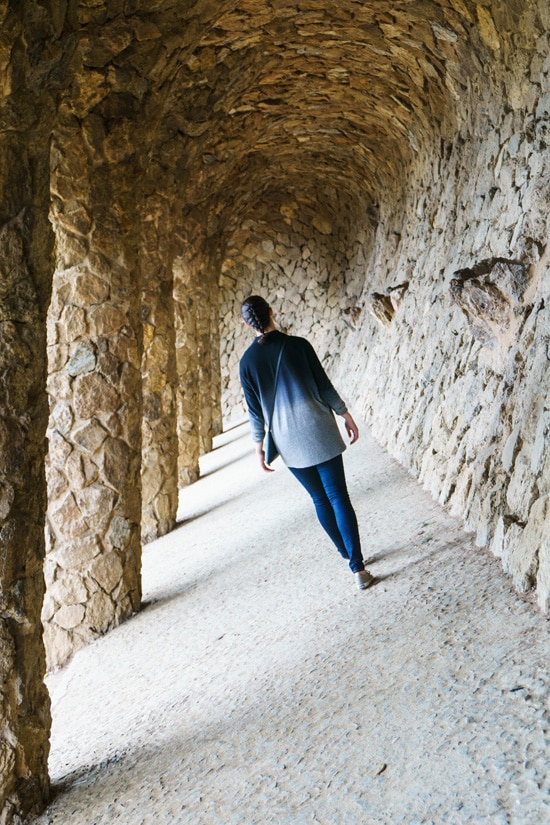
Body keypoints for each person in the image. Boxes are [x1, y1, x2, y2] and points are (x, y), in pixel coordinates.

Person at [239, 295, 375, 591]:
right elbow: (324, 385)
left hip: (288, 441)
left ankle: (345, 553)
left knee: (319, 499)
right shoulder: (299, 346)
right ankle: (358, 567)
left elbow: (254, 412)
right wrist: (344, 413)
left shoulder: (246, 363)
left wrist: (258, 447)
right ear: (272, 312)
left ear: (246, 324)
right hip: (319, 429)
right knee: (338, 496)